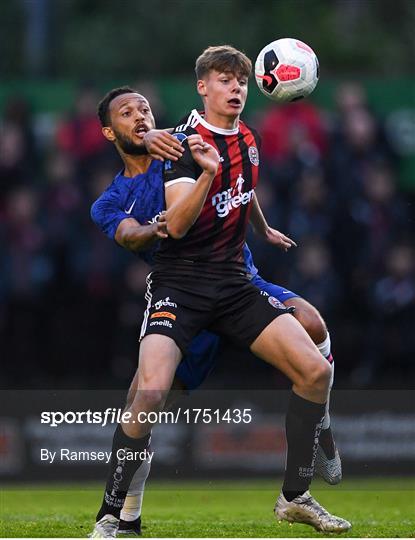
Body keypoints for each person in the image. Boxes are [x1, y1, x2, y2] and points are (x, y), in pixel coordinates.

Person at [90, 48, 350, 535]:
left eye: (145, 107)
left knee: (313, 338)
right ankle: (121, 515)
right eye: (127, 114)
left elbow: (238, 182)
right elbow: (131, 234)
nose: (141, 116)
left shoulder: (197, 139)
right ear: (109, 133)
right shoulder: (137, 180)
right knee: (146, 399)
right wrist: (156, 228)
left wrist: (264, 226)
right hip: (180, 287)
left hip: (235, 278)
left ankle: (311, 451)